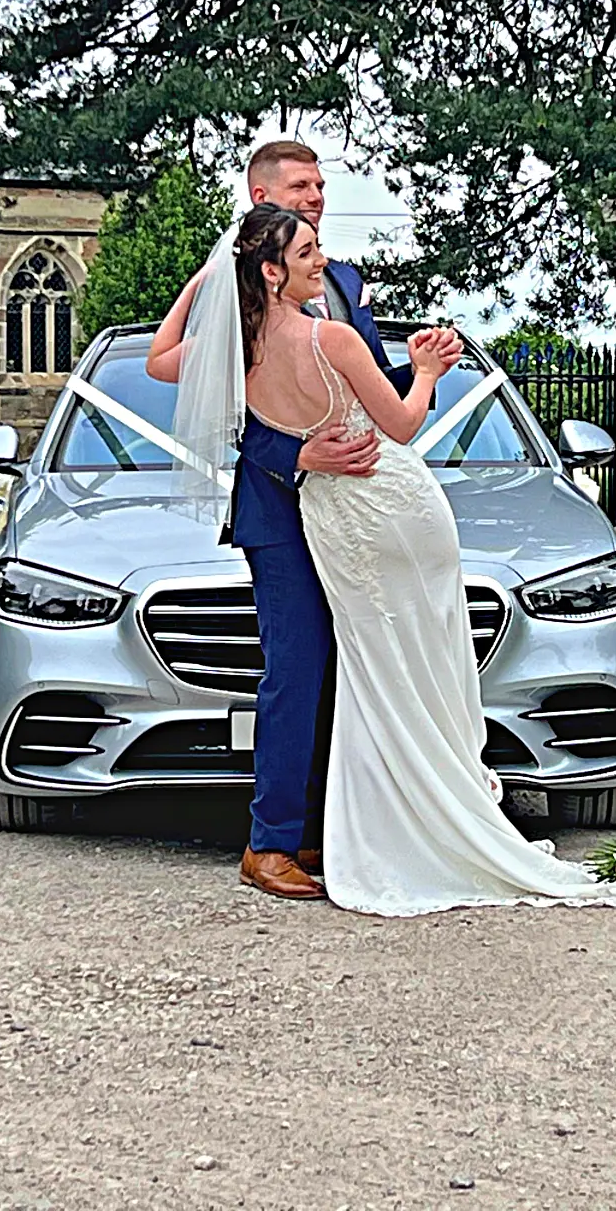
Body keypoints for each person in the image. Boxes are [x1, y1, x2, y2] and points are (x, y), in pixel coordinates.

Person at [152, 203, 616, 915]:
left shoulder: (262, 331)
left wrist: (217, 283)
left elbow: (186, 366)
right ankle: (282, 839)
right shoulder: (307, 332)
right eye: (306, 231)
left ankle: (349, 824)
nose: (321, 243)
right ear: (266, 260)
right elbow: (402, 423)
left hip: (335, 510)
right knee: (357, 666)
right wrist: (426, 370)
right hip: (347, 506)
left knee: (374, 668)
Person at [149, 141, 459, 899]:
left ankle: (338, 829)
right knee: (296, 669)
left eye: (320, 185)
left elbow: (362, 388)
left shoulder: (341, 282)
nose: (316, 196)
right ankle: (272, 841)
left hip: (358, 507)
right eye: (299, 187)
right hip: (279, 510)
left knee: (360, 664)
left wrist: (415, 370)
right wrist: (297, 458)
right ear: (260, 194)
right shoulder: (237, 291)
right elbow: (195, 380)